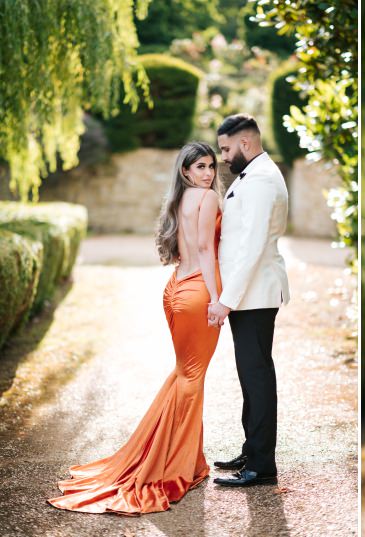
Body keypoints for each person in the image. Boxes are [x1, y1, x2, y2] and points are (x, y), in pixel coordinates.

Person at [48, 142, 224, 514]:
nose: (208, 173)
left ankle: (185, 460)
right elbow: (207, 250)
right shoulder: (207, 200)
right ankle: (173, 469)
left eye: (211, 166)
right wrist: (216, 300)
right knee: (192, 379)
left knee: (184, 375)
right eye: (200, 167)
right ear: (185, 171)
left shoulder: (180, 201)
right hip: (197, 292)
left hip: (175, 289)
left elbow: (181, 249)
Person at [208, 114, 290, 487]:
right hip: (250, 294)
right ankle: (252, 448)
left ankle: (261, 465)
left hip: (254, 295)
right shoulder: (251, 174)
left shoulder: (260, 180)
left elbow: (252, 247)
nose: (222, 157)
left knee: (256, 376)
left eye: (226, 149)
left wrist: (226, 299)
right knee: (250, 375)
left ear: (245, 143)